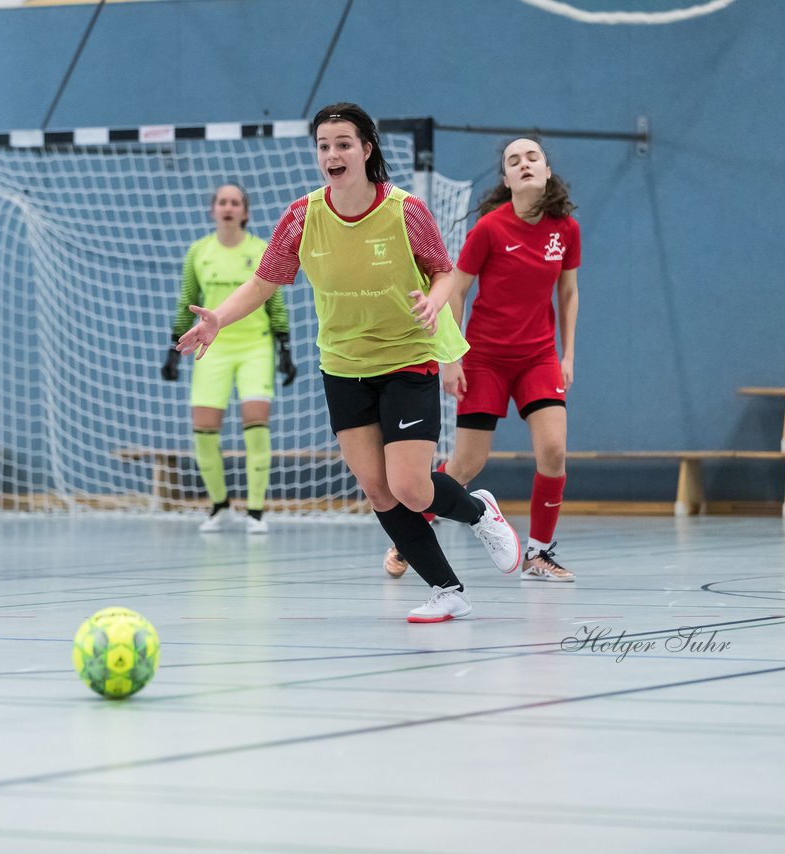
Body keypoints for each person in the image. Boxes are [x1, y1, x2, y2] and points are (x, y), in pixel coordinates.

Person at [177, 103, 521, 623]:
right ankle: (448, 590)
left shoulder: (405, 210)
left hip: (407, 357)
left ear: (366, 150)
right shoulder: (301, 216)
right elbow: (264, 281)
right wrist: (218, 319)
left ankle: (479, 511)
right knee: (378, 490)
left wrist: (434, 299)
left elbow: (444, 272)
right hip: (342, 366)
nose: (332, 154)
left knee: (410, 485)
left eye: (343, 143)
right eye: (324, 145)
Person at [382, 137, 579, 582]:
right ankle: (408, 537)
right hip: (485, 359)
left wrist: (568, 353)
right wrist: (452, 359)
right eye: (514, 160)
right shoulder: (489, 228)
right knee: (466, 465)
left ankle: (540, 554)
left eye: (533, 158)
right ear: (506, 180)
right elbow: (455, 290)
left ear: (547, 172)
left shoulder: (565, 230)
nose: (524, 164)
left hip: (539, 358)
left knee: (554, 450)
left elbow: (568, 292)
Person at [162, 184, 295, 534]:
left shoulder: (261, 249)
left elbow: (274, 301)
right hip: (213, 347)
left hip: (255, 346)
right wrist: (172, 347)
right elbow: (187, 299)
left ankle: (255, 512)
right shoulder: (198, 252)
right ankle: (219, 506)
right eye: (222, 201)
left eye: (235, 202)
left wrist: (284, 346)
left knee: (255, 424)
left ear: (245, 212)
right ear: (213, 210)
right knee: (204, 429)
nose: (228, 207)